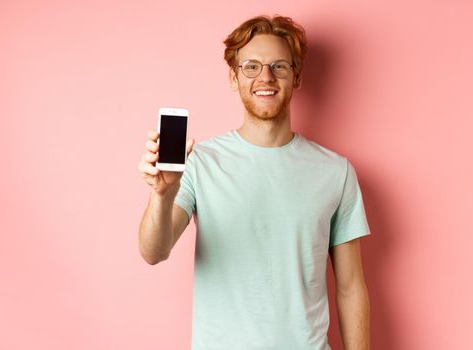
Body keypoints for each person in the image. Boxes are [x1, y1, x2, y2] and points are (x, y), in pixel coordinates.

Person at [138, 15, 371, 350]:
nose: (266, 77)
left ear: (297, 77)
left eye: (279, 66)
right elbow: (153, 251)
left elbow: (350, 287)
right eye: (251, 66)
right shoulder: (201, 164)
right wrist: (161, 194)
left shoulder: (336, 172)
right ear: (234, 78)